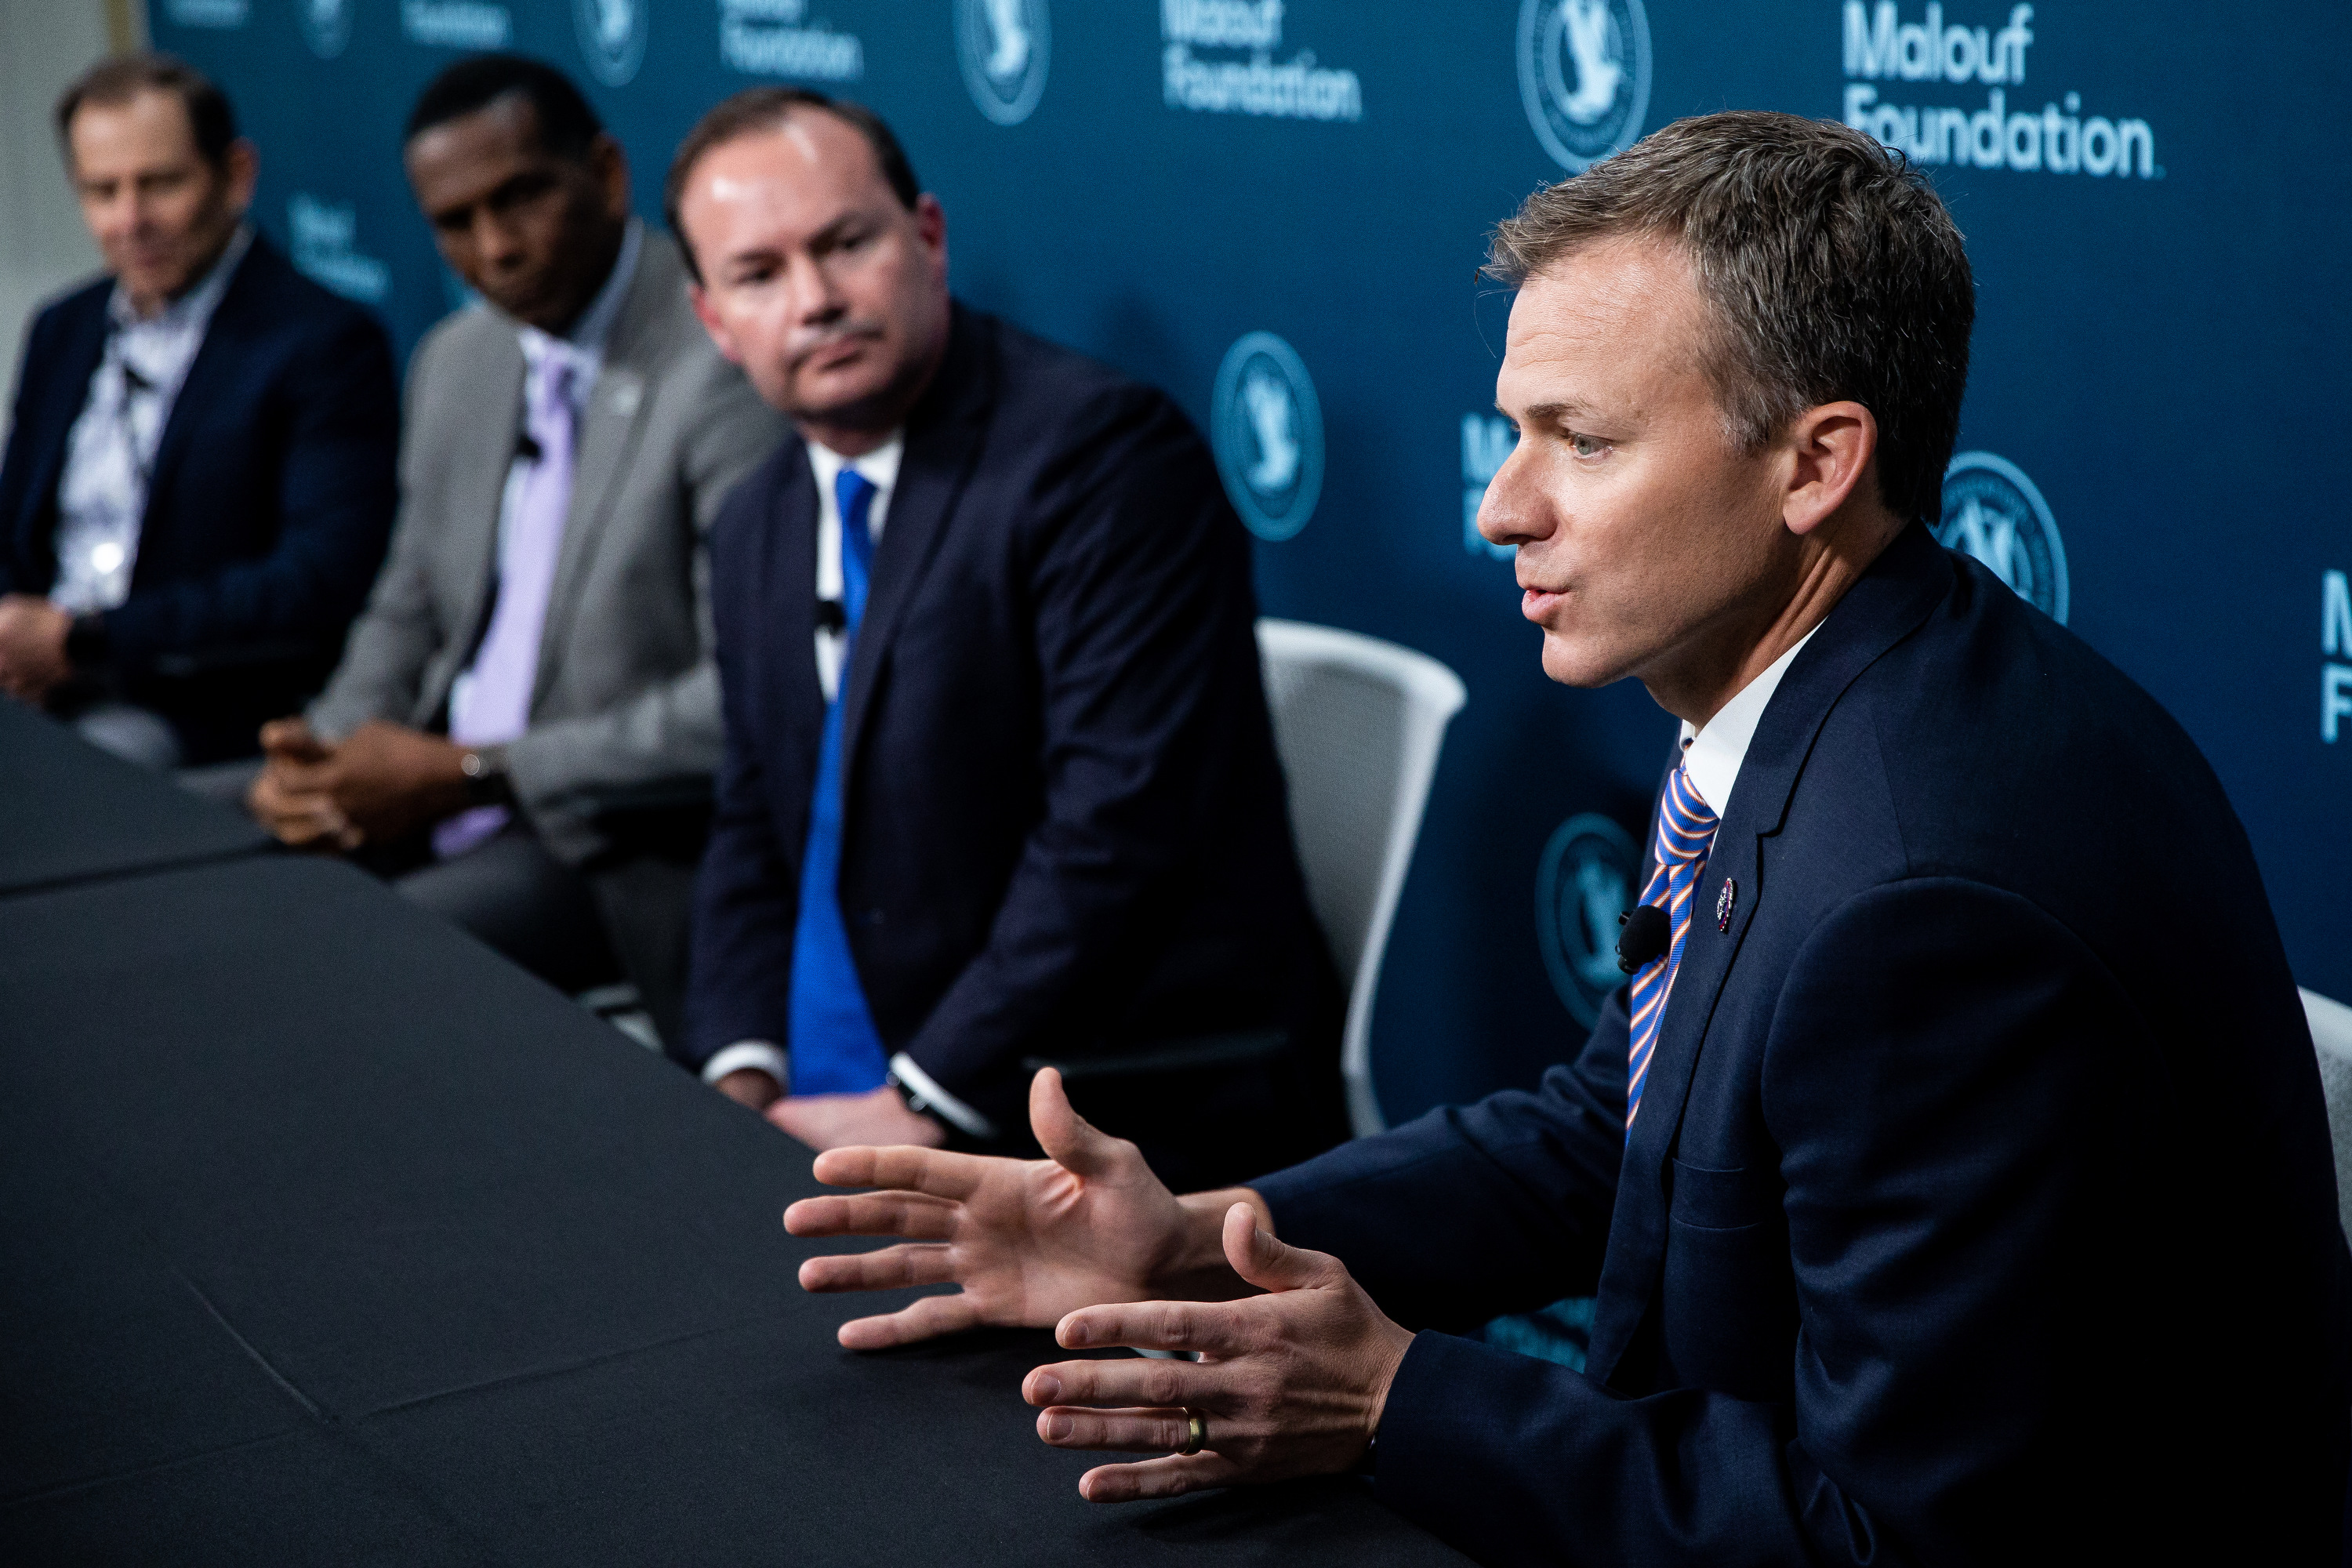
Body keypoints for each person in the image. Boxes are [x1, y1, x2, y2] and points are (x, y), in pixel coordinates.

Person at [779, 113, 2352, 1565]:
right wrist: (1195, 1243)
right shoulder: (1848, 677)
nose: (1501, 507)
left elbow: (1890, 1538)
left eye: (1581, 442)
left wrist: (1391, 1402)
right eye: (1510, 432)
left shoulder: (1926, 897)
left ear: (1817, 462)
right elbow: (1625, 1132)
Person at [667, 88, 1344, 1189]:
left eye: (847, 244)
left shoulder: (1103, 460)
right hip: (877, 1059)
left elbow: (1113, 832)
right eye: (760, 273)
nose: (816, 300)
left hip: (1111, 1098)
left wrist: (916, 1099)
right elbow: (754, 814)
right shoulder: (758, 519)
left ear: (926, 237)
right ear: (714, 319)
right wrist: (737, 1074)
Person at [244, 56, 783, 1034]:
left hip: (613, 839)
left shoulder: (723, 363)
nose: (496, 249)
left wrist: (472, 767)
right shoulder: (459, 358)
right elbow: (408, 601)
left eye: (522, 197)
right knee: (218, 886)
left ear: (607, 175)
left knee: (349, 961)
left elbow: (739, 702)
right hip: (436, 793)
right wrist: (326, 755)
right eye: (456, 222)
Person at [0, 53, 397, 768]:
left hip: (190, 704)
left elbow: (315, 580)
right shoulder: (63, 329)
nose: (131, 220)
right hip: (35, 683)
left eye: (160, 185)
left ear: (236, 176)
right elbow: (12, 529)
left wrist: (83, 639)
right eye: (102, 191)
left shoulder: (322, 343)